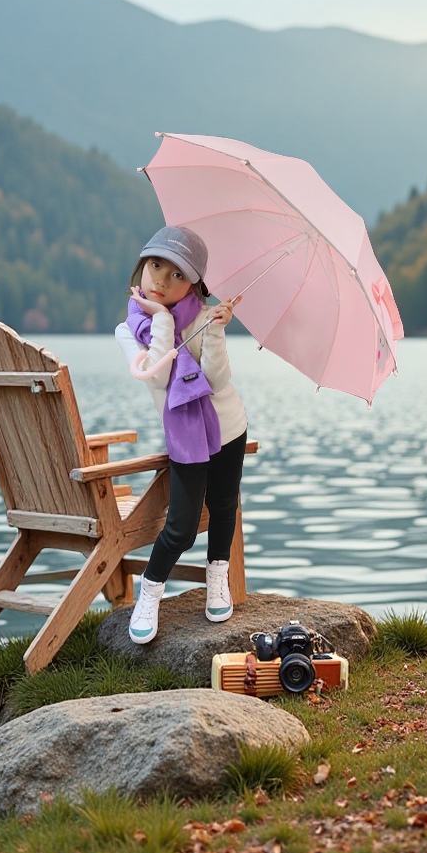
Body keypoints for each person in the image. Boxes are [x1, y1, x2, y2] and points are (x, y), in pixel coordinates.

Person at [115, 226, 247, 643]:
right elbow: (156, 376)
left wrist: (216, 329)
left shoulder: (205, 319)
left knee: (223, 508)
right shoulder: (128, 330)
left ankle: (218, 580)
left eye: (178, 275)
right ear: (143, 264)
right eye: (156, 265)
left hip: (229, 428)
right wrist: (163, 319)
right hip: (186, 437)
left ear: (194, 284)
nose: (162, 280)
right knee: (182, 527)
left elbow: (217, 381)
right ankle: (150, 593)